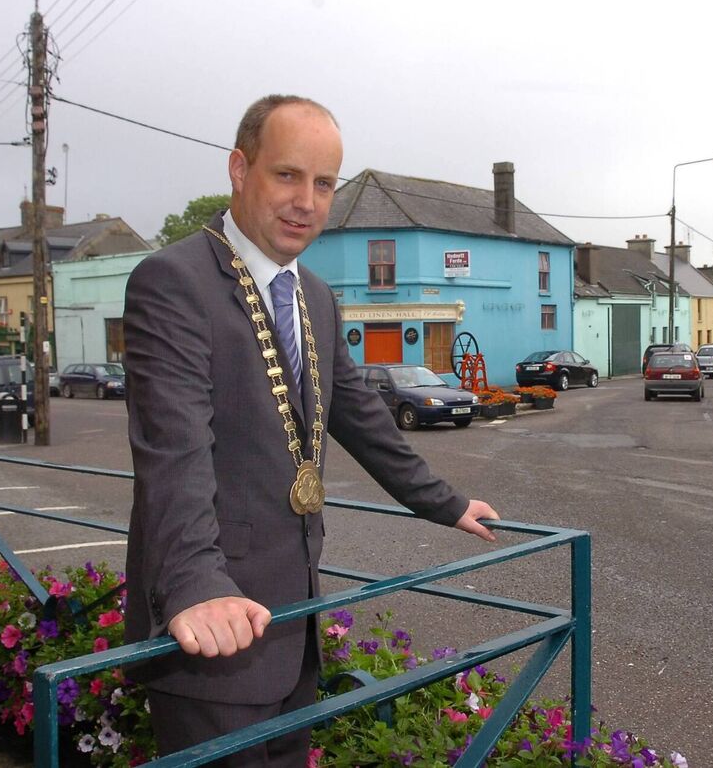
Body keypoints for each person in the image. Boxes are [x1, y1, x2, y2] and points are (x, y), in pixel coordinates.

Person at [122, 94, 499, 767]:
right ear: (240, 170)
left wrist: (443, 501)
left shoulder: (314, 294)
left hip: (293, 630)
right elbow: (173, 451)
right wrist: (196, 584)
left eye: (324, 183)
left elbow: (357, 411)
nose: (307, 200)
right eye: (287, 175)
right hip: (215, 633)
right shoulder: (172, 281)